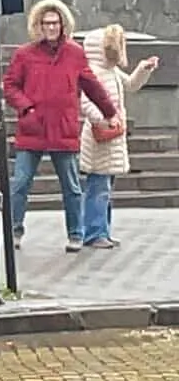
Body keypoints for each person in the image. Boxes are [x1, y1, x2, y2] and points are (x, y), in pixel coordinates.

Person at [2, 0, 118, 253]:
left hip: (63, 130)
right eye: (46, 23)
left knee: (72, 187)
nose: (51, 27)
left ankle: (76, 233)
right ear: (39, 25)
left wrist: (110, 112)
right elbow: (10, 86)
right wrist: (27, 108)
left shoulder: (75, 53)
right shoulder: (24, 54)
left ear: (63, 24)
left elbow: (92, 85)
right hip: (33, 128)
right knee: (20, 184)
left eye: (55, 23)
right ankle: (14, 230)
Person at [78, 24, 159, 249]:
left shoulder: (111, 71)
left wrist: (143, 69)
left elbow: (131, 84)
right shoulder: (93, 72)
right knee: (99, 186)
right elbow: (85, 103)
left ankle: (102, 230)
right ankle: (94, 232)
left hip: (111, 137)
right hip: (101, 137)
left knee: (105, 187)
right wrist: (104, 118)